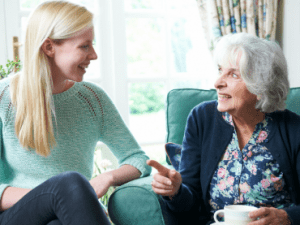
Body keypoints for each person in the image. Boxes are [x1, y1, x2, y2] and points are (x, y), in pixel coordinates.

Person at [0, 1, 151, 224]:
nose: (95, 55)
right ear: (49, 47)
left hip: (66, 214)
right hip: (16, 216)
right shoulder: (5, 97)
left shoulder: (92, 99)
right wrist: (57, 195)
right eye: (84, 46)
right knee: (68, 184)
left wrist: (107, 177)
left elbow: (137, 159)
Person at [147, 32, 300, 225]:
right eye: (220, 70)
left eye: (233, 74)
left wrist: (286, 217)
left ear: (261, 87)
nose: (218, 83)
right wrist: (176, 190)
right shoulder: (201, 118)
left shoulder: (294, 130)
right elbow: (189, 201)